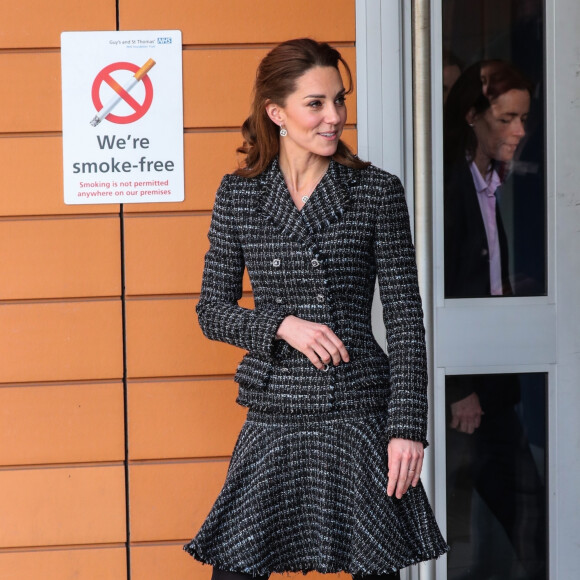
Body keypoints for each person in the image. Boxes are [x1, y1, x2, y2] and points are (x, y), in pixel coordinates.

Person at [183, 38, 448, 580]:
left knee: (376, 568)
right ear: (276, 113)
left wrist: (407, 428)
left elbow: (404, 321)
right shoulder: (240, 195)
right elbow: (212, 310)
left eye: (339, 100)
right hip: (275, 410)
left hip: (358, 412)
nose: (334, 117)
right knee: (235, 568)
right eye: (316, 103)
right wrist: (281, 325)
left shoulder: (376, 191)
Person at [443, 60, 546, 579]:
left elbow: (477, 274)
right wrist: (458, 386)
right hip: (465, 396)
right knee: (452, 529)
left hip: (497, 386)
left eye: (524, 119)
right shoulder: (446, 189)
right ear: (472, 116)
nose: (520, 131)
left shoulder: (490, 180)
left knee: (534, 522)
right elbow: (431, 290)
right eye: (507, 118)